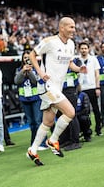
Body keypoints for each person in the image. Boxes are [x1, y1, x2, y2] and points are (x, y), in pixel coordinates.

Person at [26, 17, 86, 166]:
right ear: (62, 28)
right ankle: (53, 140)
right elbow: (32, 55)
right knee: (70, 112)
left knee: (48, 121)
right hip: (47, 86)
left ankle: (33, 150)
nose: (74, 30)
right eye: (71, 27)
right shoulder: (50, 41)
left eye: (74, 27)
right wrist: (39, 72)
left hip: (57, 87)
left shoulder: (71, 44)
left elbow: (70, 62)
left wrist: (79, 69)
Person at [14, 50, 42, 146]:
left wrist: (30, 71)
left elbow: (35, 81)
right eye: (25, 57)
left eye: (28, 57)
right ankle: (34, 142)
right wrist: (23, 71)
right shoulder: (18, 69)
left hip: (36, 98)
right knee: (31, 123)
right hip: (25, 99)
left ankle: (42, 143)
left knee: (38, 121)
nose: (27, 59)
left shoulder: (36, 68)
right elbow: (16, 81)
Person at [78, 42, 102, 136]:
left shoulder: (93, 59)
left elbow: (97, 74)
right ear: (79, 49)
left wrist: (97, 87)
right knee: (83, 111)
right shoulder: (77, 60)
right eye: (82, 48)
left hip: (92, 87)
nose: (84, 50)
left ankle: (98, 129)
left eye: (85, 48)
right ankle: (85, 130)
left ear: (88, 49)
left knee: (95, 109)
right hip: (81, 88)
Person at [59, 57, 82, 151]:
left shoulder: (75, 61)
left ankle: (75, 141)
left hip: (70, 89)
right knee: (62, 115)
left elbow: (80, 70)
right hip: (60, 90)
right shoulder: (58, 60)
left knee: (72, 115)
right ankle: (66, 139)